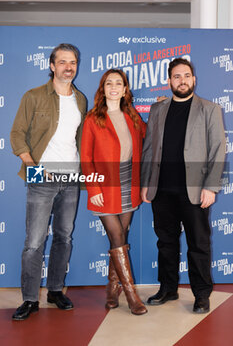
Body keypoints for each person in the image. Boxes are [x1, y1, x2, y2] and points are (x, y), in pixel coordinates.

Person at [141, 58, 225, 313]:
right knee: (165, 243)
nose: (182, 80)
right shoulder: (157, 110)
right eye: (176, 76)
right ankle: (168, 288)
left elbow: (218, 150)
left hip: (196, 190)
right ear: (169, 81)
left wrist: (211, 186)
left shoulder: (209, 109)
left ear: (194, 79)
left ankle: (201, 294)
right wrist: (146, 183)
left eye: (186, 75)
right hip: (162, 189)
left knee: (198, 244)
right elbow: (148, 149)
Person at [10, 43, 86, 320]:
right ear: (52, 66)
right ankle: (30, 299)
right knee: (34, 242)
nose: (69, 67)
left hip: (71, 178)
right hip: (41, 177)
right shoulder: (33, 96)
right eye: (63, 61)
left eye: (73, 62)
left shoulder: (80, 99)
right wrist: (33, 167)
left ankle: (55, 290)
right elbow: (17, 134)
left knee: (64, 238)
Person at [81, 69, 147, 315]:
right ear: (103, 88)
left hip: (130, 183)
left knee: (119, 238)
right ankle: (131, 295)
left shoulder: (133, 116)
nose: (114, 87)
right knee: (117, 237)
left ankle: (111, 289)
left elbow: (150, 136)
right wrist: (93, 187)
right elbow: (86, 158)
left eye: (119, 83)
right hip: (105, 186)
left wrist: (162, 108)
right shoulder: (93, 118)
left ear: (125, 89)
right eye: (109, 83)